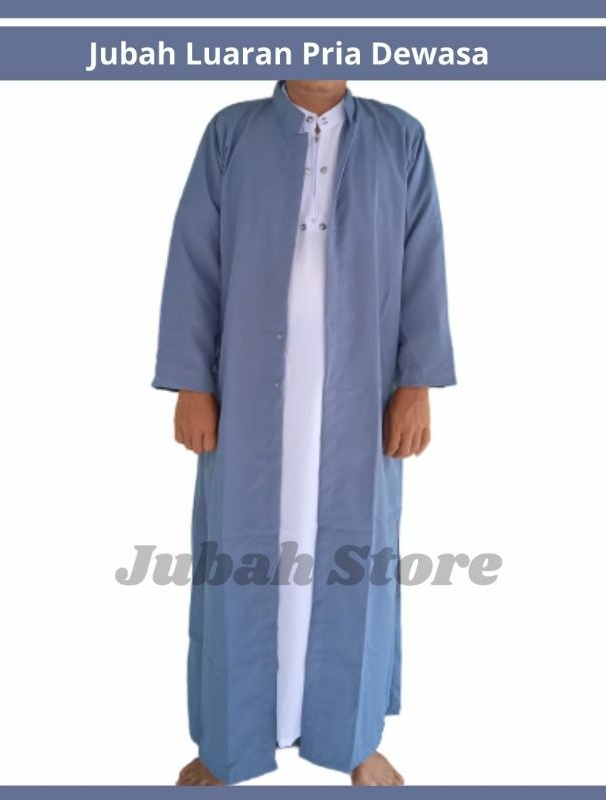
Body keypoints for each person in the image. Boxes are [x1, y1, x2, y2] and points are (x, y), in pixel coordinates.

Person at [152, 79, 456, 786]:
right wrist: (192, 383)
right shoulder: (231, 133)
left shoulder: (401, 138)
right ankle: (227, 743)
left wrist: (417, 385)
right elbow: (194, 260)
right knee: (237, 556)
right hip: (246, 390)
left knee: (356, 556)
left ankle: (353, 739)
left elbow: (423, 263)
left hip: (363, 388)